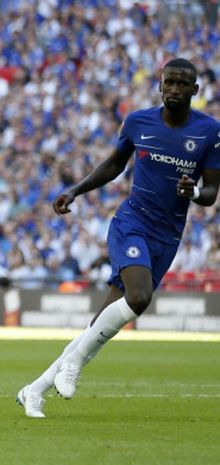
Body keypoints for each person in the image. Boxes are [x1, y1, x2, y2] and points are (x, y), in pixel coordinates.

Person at [17, 57, 220, 418]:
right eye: (168, 82)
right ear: (159, 85)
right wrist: (76, 190)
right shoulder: (138, 121)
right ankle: (73, 365)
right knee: (139, 298)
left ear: (195, 90)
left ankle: (33, 390)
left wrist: (191, 192)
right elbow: (114, 164)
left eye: (181, 84)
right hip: (132, 222)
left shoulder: (209, 132)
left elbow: (211, 192)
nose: (174, 88)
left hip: (168, 235)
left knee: (100, 324)